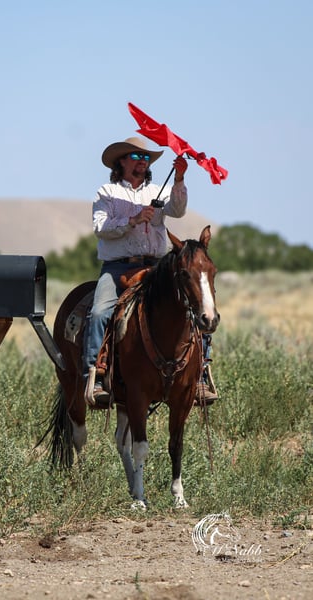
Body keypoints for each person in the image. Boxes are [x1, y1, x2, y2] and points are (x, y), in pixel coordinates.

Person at [83, 136, 218, 406]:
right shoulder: (107, 193)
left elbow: (177, 210)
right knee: (99, 312)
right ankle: (95, 375)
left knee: (193, 305)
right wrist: (132, 220)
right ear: (121, 162)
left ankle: (201, 374)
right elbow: (100, 227)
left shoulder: (158, 190)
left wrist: (179, 178)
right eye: (136, 156)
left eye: (146, 157)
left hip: (155, 265)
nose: (142, 161)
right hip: (118, 266)